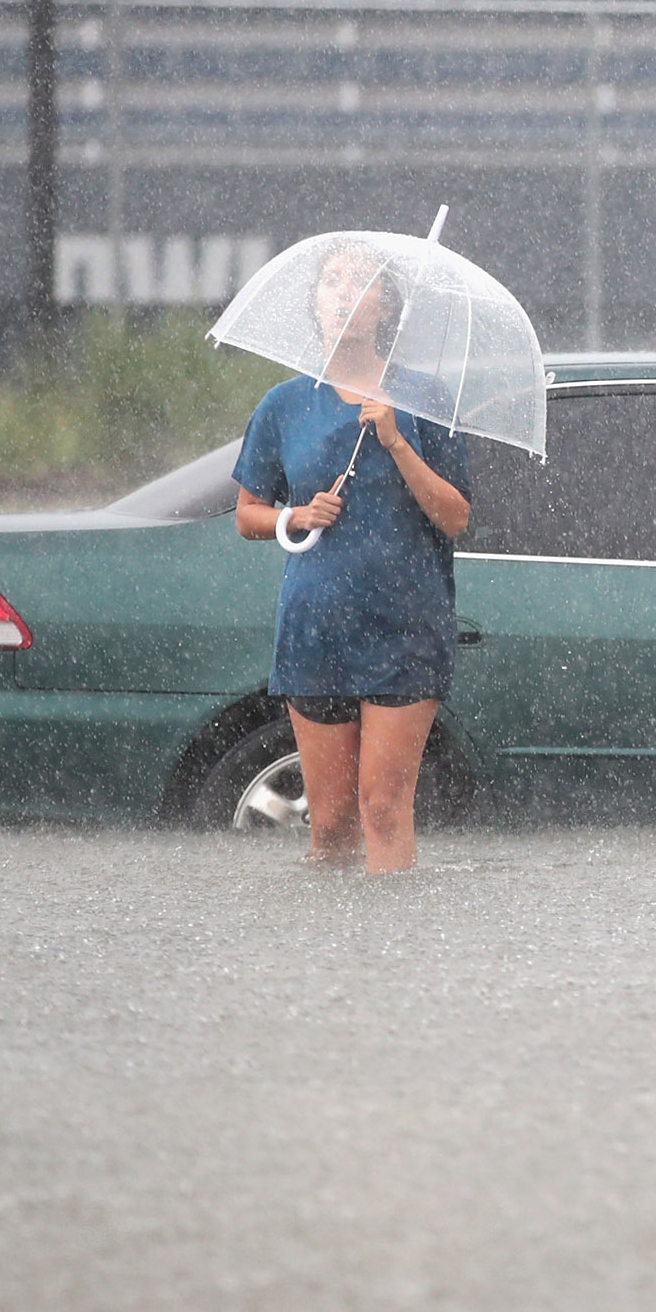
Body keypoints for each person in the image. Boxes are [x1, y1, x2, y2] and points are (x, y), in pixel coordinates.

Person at [232, 246, 471, 873]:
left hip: (404, 629)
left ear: (386, 305)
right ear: (315, 302)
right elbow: (247, 515)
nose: (343, 293)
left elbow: (454, 517)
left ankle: (391, 957)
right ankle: (330, 958)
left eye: (361, 283)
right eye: (331, 281)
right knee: (331, 823)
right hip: (316, 629)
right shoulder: (285, 403)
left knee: (384, 808)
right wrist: (295, 516)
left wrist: (395, 438)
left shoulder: (425, 399)